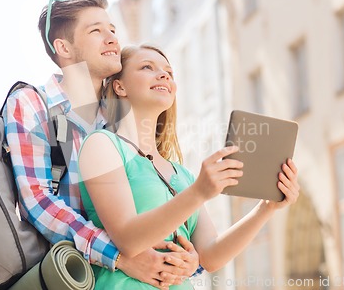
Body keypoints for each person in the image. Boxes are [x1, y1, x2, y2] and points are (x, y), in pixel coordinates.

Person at [2, 0, 199, 289]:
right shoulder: (32, 104)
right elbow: (38, 202)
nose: (111, 38)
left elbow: (156, 192)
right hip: (69, 276)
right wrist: (119, 256)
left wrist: (189, 258)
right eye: (96, 31)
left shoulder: (120, 113)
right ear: (63, 47)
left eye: (112, 30)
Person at [78, 44, 300, 289]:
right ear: (119, 86)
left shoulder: (181, 173)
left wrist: (265, 209)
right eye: (147, 67)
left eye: (169, 73)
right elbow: (128, 239)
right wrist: (198, 193)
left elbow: (210, 256)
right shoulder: (102, 145)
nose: (163, 75)